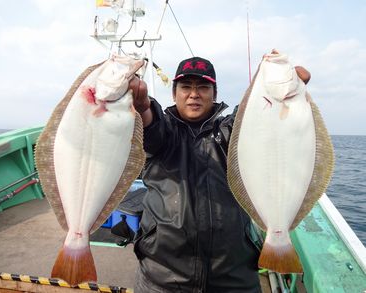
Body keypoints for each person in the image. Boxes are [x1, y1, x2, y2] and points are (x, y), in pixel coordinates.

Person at [128, 56, 310, 293]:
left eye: (203, 87)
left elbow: (257, 115)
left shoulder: (231, 132)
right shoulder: (164, 132)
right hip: (162, 278)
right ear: (174, 94)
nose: (194, 94)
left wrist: (282, 81)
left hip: (234, 278)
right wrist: (142, 105)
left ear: (214, 94)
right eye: (186, 87)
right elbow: (150, 122)